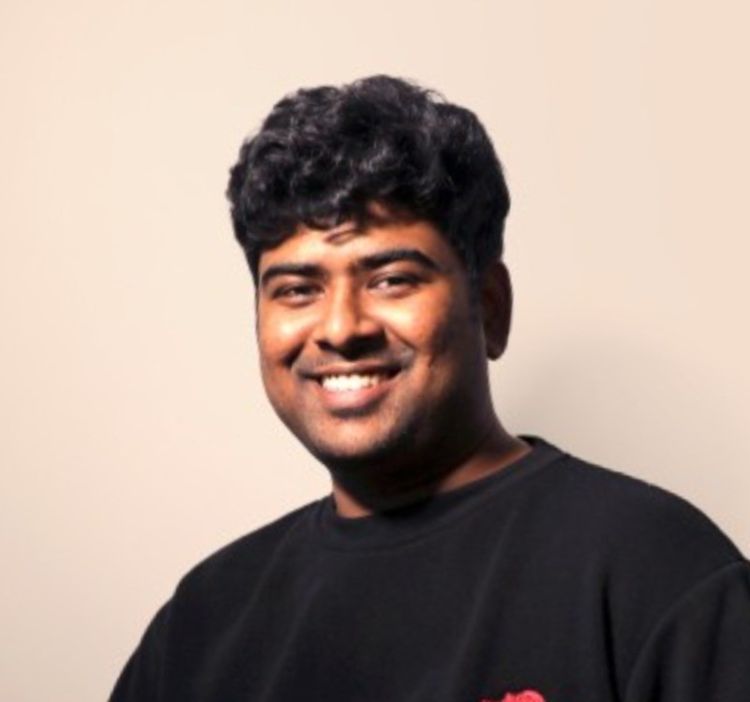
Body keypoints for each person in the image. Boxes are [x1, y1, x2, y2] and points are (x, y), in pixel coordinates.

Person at [110, 76, 750, 702]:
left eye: (391, 279)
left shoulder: (656, 571)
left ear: (490, 305)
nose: (341, 328)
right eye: (298, 290)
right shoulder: (201, 624)